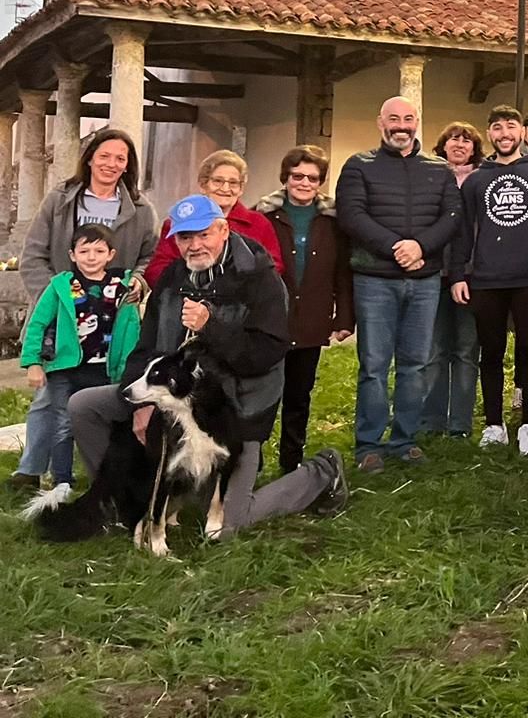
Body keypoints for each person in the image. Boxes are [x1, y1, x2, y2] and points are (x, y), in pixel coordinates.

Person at [69, 196, 347, 534]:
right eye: (185, 238)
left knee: (229, 522)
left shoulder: (261, 280)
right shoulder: (172, 278)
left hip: (236, 410)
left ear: (223, 230)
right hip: (176, 402)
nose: (195, 245)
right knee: (84, 405)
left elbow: (265, 355)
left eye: (204, 235)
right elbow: (146, 347)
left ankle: (322, 472)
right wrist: (140, 402)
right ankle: (120, 502)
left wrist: (211, 326)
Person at [11, 128, 157, 493]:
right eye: (104, 155)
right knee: (50, 396)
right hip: (61, 316)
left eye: (120, 158)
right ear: (90, 157)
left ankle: (106, 469)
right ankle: (32, 468)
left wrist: (138, 283)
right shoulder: (60, 199)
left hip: (110, 322)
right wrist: (58, 300)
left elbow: (149, 258)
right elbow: (33, 254)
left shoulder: (140, 208)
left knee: (103, 394)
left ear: (128, 166)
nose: (111, 164)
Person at [336, 96, 462, 473]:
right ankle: (368, 445)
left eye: (408, 119)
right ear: (380, 123)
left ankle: (405, 439)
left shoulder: (439, 169)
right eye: (394, 119)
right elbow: (351, 215)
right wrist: (397, 248)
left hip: (423, 282)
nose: (401, 126)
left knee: (416, 364)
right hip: (375, 280)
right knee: (374, 365)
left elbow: (452, 215)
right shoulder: (359, 166)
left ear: (417, 123)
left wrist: (421, 246)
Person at [451, 105, 528, 457]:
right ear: (490, 134)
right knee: (491, 352)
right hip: (486, 278)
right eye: (497, 127)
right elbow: (461, 233)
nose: (504, 134)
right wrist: (459, 273)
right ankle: (493, 424)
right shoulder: (475, 180)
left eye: (511, 127)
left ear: (521, 132)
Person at [19, 224, 141, 491]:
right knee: (62, 422)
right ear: (72, 255)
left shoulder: (122, 287)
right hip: (66, 369)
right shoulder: (61, 287)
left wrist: (131, 365)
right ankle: (62, 479)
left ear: (111, 254)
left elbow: (133, 327)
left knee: (105, 424)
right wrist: (33, 362)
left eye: (99, 250)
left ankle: (107, 477)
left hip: (104, 370)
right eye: (84, 250)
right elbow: (38, 324)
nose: (91, 256)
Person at [257, 145, 353, 474]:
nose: (304, 183)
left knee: (299, 396)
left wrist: (344, 317)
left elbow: (343, 272)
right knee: (263, 395)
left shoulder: (332, 221)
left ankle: (291, 462)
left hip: (311, 318)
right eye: (297, 176)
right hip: (270, 321)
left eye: (312, 178)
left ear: (320, 183)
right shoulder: (264, 216)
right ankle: (250, 462)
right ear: (285, 178)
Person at [142, 150, 285, 287]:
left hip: (243, 306)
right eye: (218, 181)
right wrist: (192, 286)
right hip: (188, 302)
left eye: (233, 183)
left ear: (241, 189)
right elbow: (156, 271)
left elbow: (274, 267)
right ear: (203, 185)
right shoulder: (179, 223)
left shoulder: (259, 223)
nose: (225, 188)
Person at [422, 122, 483, 438]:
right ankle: (432, 421)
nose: (459, 144)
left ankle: (460, 424)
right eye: (453, 139)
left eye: (467, 140)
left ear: (475, 148)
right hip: (433, 273)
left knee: (466, 350)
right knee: (434, 351)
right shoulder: (429, 176)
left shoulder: (483, 180)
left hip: (471, 275)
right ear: (442, 145)